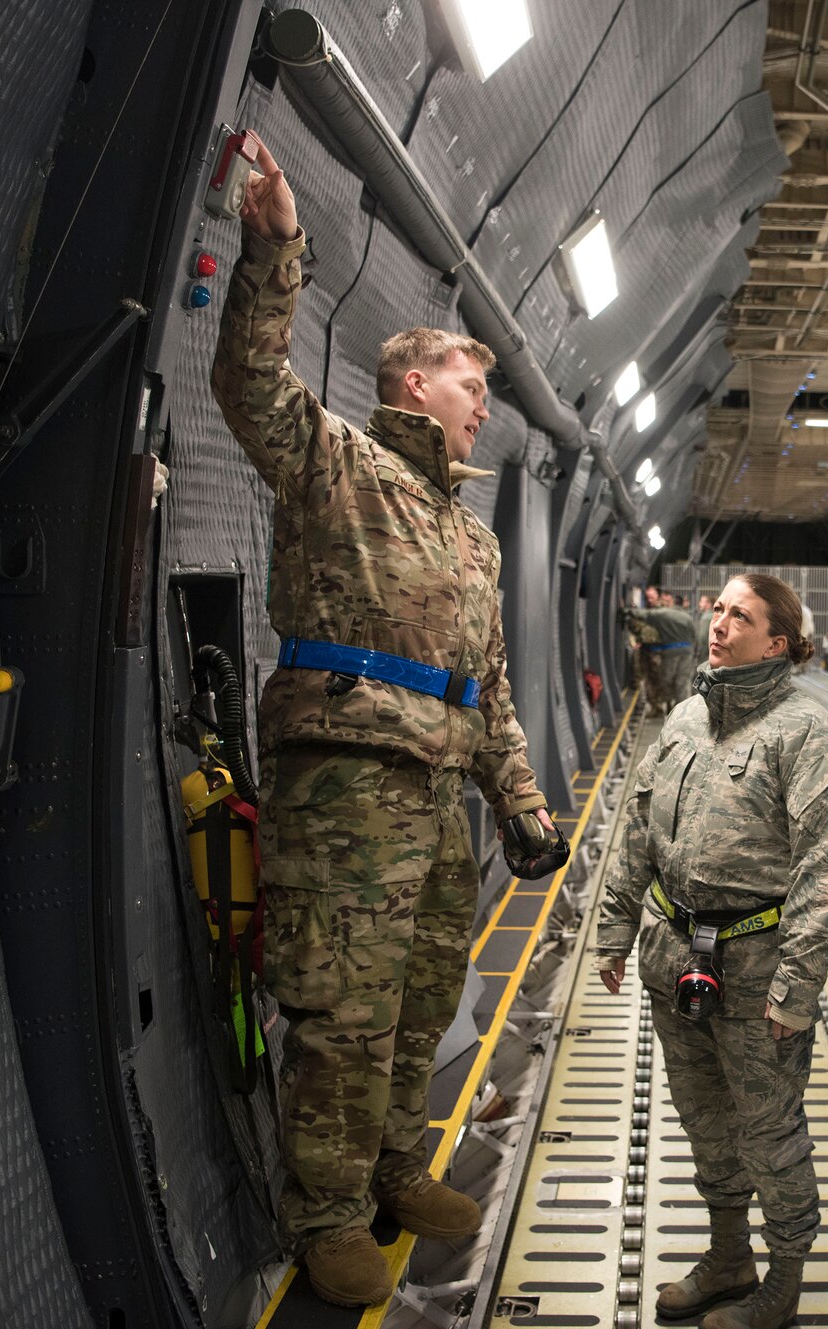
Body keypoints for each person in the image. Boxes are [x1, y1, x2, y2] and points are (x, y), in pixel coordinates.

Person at [210, 140, 567, 1307]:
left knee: (420, 993)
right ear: (416, 382)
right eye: (473, 387)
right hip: (346, 784)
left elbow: (492, 682)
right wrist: (274, 248)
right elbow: (250, 385)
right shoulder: (338, 466)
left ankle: (389, 1169)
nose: (483, 409)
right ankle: (321, 1211)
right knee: (342, 1006)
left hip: (438, 792)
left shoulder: (469, 536)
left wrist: (519, 802)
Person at [595, 574, 828, 1329]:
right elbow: (640, 830)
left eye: (739, 616)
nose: (717, 624)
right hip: (675, 960)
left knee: (769, 1127)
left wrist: (797, 989)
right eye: (717, 609)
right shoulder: (685, 717)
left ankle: (783, 1278)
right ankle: (728, 1256)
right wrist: (615, 928)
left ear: (776, 641)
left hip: (756, 975)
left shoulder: (808, 737)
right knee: (705, 1118)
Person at [626, 597, 699, 716]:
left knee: (667, 679)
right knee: (683, 682)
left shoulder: (664, 614)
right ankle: (682, 712)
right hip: (687, 652)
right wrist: (695, 653)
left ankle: (668, 705)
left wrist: (628, 611)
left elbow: (647, 615)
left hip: (669, 651)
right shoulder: (687, 617)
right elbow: (694, 636)